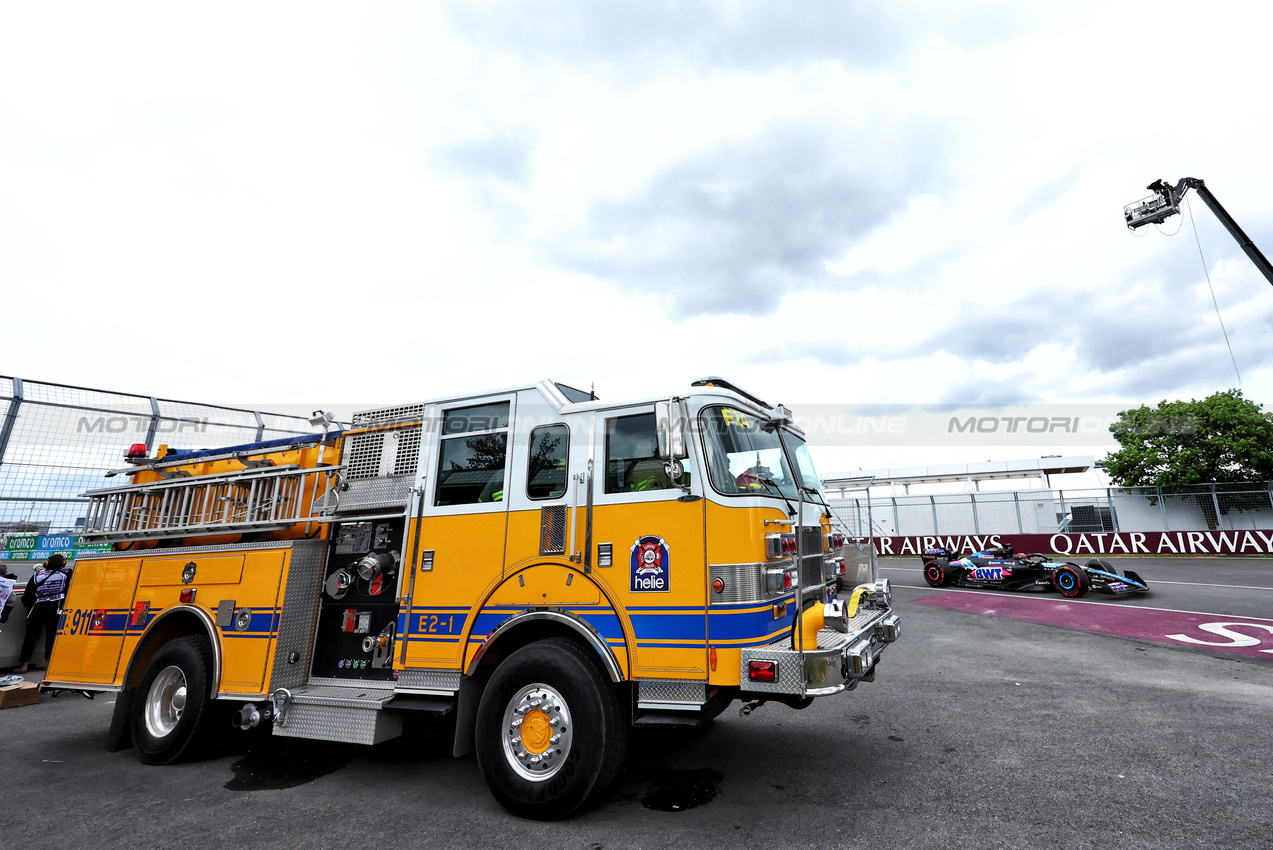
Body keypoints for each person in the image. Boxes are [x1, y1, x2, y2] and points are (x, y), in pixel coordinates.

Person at [16, 553, 72, 673]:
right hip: (56, 607)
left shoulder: (38, 575)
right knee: (52, 635)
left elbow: (28, 594)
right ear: (63, 564)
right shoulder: (66, 574)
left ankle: (24, 664)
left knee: (31, 636)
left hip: (37, 608)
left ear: (47, 564)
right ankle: (47, 663)